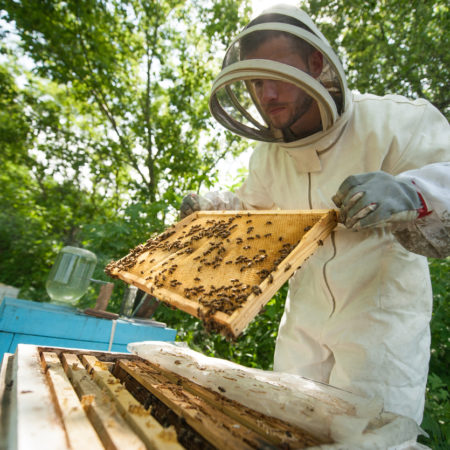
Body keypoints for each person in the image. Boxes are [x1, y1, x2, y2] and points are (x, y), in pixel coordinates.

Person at [180, 4, 450, 425]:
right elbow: (253, 215)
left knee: (368, 439)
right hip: (300, 330)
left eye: (276, 76)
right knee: (284, 431)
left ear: (316, 63)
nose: (266, 94)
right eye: (255, 82)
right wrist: (210, 212)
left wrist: (411, 191)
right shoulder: (268, 156)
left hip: (381, 334)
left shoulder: (397, 121)